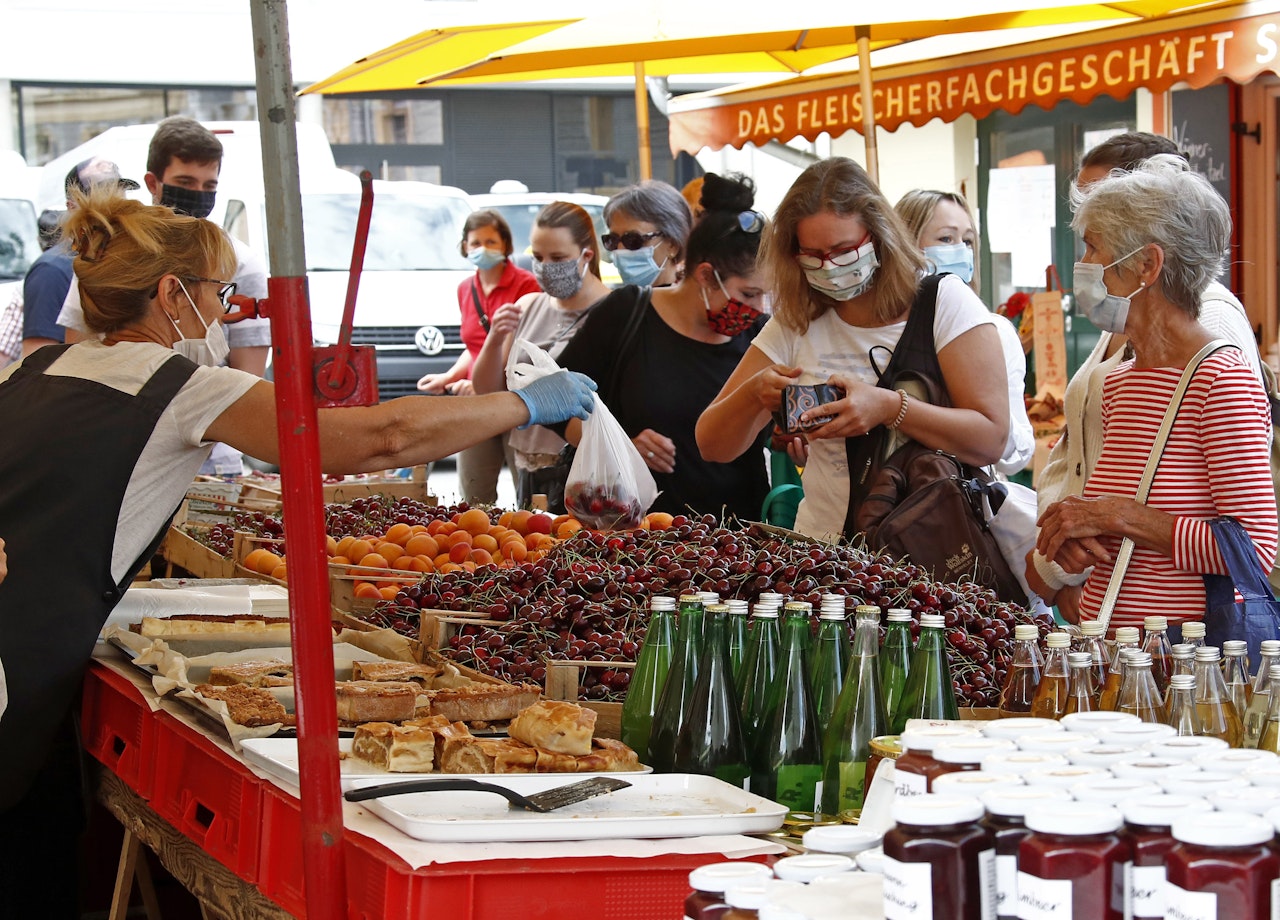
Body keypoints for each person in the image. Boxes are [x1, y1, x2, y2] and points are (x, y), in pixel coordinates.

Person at [0, 189, 596, 918]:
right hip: (21, 661)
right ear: (169, 296)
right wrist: (522, 404)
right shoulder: (178, 387)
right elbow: (379, 438)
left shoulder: (34, 373)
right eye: (219, 295)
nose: (225, 313)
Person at [697, 157, 1009, 541]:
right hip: (825, 553)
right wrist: (754, 394)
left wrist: (890, 408)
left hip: (931, 553)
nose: (829, 267)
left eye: (844, 250)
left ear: (878, 235)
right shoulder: (796, 319)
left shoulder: (944, 303)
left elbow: (991, 440)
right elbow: (711, 444)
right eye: (812, 256)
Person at [1027, 132, 1265, 619]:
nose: (1085, 266)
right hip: (1115, 658)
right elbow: (1113, 533)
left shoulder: (1221, 380)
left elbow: (1253, 551)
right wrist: (1076, 534)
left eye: (1094, 249)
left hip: (1185, 669)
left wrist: (1115, 515)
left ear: (1148, 265)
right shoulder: (1119, 381)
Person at [58, 117, 273, 476]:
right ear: (152, 182)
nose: (198, 194)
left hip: (210, 463)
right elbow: (76, 352)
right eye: (185, 182)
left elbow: (249, 382)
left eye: (209, 185)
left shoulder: (240, 263)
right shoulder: (109, 255)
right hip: (117, 453)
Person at [555, 172, 771, 522]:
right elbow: (557, 404)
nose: (759, 307)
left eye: (765, 294)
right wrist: (620, 446)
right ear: (704, 275)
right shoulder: (628, 314)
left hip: (739, 547)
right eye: (749, 293)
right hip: (633, 541)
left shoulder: (759, 335)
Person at [471, 201, 612, 512]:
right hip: (528, 468)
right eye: (537, 257)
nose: (546, 266)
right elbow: (486, 389)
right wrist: (494, 340)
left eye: (558, 258)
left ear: (586, 255)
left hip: (585, 471)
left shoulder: (615, 312)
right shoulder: (528, 306)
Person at [896, 188, 1034, 476]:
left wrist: (983, 423)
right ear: (904, 243)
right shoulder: (876, 326)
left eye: (968, 240)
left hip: (948, 502)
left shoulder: (993, 332)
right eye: (946, 238)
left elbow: (1016, 453)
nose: (961, 250)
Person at [417, 209, 541, 504]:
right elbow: (475, 345)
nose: (482, 249)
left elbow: (521, 349)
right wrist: (450, 376)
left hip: (515, 401)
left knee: (528, 497)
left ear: (506, 245)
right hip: (475, 406)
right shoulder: (465, 289)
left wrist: (480, 382)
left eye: (490, 242)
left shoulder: (525, 285)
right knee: (473, 497)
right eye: (475, 243)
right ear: (464, 247)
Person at [20, 158, 139, 357]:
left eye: (119, 195)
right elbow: (37, 357)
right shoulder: (52, 270)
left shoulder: (125, 259)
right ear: (72, 207)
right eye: (102, 197)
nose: (114, 207)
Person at [601, 180, 691, 288]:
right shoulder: (616, 303)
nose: (620, 250)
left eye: (633, 240)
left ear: (673, 245)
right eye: (612, 240)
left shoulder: (698, 302)